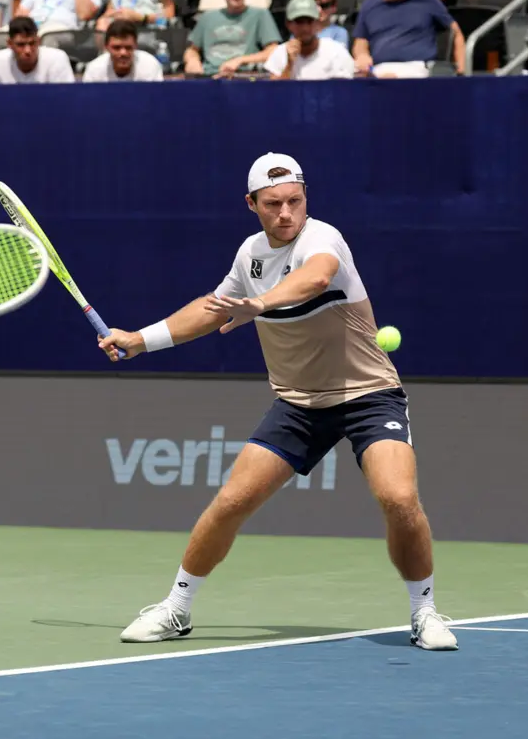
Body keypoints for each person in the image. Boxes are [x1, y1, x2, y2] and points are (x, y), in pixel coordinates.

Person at [98, 153, 459, 653]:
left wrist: (261, 304)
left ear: (305, 197)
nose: (287, 212)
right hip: (298, 404)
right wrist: (139, 339)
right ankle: (176, 608)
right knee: (231, 501)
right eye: (273, 204)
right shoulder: (249, 255)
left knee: (398, 498)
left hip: (368, 395)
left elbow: (314, 277)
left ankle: (424, 612)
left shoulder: (322, 239)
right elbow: (210, 309)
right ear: (252, 205)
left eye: (295, 200)